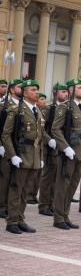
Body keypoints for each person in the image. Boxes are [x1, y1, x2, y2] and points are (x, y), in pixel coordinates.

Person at [2, 79, 44, 234]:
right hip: (21, 155)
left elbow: (39, 136)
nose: (36, 92)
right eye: (33, 90)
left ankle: (20, 218)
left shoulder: (37, 110)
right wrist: (12, 155)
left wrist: (40, 156)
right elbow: (6, 135)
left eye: (36, 89)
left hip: (33, 157)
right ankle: (12, 221)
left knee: (26, 190)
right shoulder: (16, 110)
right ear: (25, 93)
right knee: (16, 189)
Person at [51, 78, 81, 230]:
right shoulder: (65, 107)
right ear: (72, 89)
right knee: (63, 185)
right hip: (69, 152)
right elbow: (55, 129)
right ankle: (58, 217)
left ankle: (65, 215)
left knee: (73, 185)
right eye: (80, 87)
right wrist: (65, 147)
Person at [38, 83, 68, 216]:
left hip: (59, 147)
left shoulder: (66, 108)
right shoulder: (49, 109)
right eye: (63, 91)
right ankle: (43, 205)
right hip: (49, 147)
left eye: (66, 91)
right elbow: (41, 129)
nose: (66, 94)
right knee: (47, 177)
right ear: (56, 93)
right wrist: (49, 140)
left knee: (56, 178)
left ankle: (51, 203)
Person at [0, 79, 23, 218]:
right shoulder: (4, 106)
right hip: (5, 145)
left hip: (18, 147)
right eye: (19, 87)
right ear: (12, 90)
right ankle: (2, 205)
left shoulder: (23, 106)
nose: (22, 90)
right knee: (5, 177)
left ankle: (10, 205)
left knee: (15, 178)